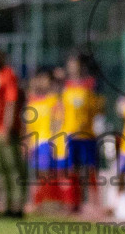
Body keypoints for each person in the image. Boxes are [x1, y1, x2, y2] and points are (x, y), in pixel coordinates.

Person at [0, 47, 25, 217]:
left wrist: (7, 128)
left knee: (13, 168)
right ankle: (5, 205)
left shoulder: (9, 75)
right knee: (0, 169)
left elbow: (11, 102)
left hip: (6, 130)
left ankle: (17, 205)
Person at [59, 54, 100, 211]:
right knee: (72, 168)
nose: (72, 68)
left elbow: (97, 107)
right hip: (70, 134)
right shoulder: (66, 86)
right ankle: (73, 202)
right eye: (70, 65)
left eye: (75, 64)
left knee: (89, 169)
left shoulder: (90, 85)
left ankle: (93, 202)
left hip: (87, 134)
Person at [25, 71, 62, 211]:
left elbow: (57, 120)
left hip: (47, 140)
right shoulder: (32, 101)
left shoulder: (52, 99)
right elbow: (29, 125)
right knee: (37, 173)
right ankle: (39, 201)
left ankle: (47, 201)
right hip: (35, 141)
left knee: (45, 172)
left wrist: (54, 139)